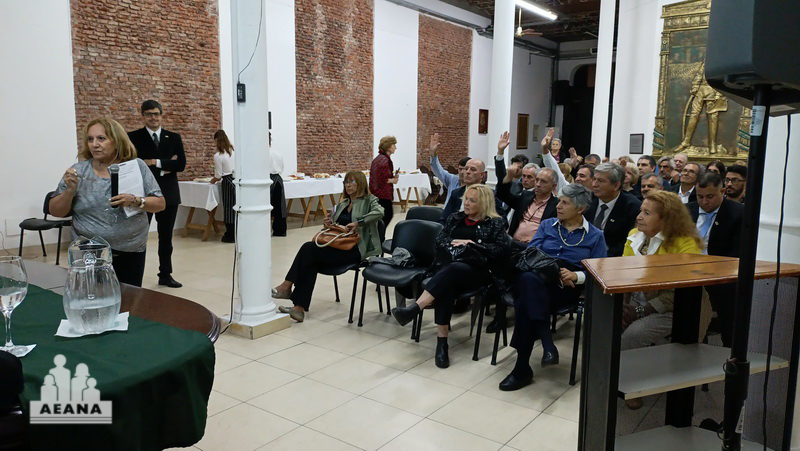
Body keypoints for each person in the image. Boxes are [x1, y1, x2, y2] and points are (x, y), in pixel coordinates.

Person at [499, 184, 607, 391]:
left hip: (565, 288)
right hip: (539, 277)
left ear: (581, 208)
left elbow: (599, 271)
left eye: (565, 203)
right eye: (559, 201)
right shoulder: (547, 225)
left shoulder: (595, 235)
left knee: (526, 299)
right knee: (529, 282)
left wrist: (577, 276)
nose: (558, 206)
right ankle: (546, 342)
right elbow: (530, 254)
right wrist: (553, 270)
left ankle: (522, 369)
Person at [390, 184, 509, 368]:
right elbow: (440, 240)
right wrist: (454, 245)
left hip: (479, 272)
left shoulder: (496, 223)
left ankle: (415, 308)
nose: (466, 203)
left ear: (484, 203)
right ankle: (442, 343)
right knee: (446, 285)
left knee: (451, 272)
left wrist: (471, 245)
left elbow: (499, 251)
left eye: (472, 200)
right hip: (449, 270)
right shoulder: (455, 218)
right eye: (466, 199)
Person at [51, 118, 166, 287]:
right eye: (90, 139)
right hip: (88, 251)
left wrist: (135, 200)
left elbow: (160, 204)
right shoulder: (78, 171)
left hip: (129, 250)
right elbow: (56, 211)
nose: (94, 144)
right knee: (91, 296)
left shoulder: (135, 167)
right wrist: (69, 191)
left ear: (117, 140)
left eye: (101, 138)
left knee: (127, 297)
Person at [620, 190, 707, 409]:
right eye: (641, 211)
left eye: (647, 213)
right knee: (604, 323)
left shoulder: (685, 244)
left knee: (633, 335)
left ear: (666, 219)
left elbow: (679, 292)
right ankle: (614, 374)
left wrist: (638, 312)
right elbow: (622, 274)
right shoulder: (635, 235)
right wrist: (623, 307)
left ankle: (632, 386)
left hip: (674, 307)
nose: (639, 217)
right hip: (638, 298)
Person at [273, 171, 383, 322]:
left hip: (355, 250)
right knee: (310, 259)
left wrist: (359, 222)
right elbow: (335, 226)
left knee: (308, 249)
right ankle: (298, 309)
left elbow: (379, 212)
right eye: (346, 182)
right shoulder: (343, 203)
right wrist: (329, 223)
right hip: (338, 245)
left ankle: (287, 286)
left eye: (352, 182)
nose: (348, 185)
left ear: (361, 183)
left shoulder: (369, 201)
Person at [127, 100, 186, 288]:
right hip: (143, 194)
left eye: (156, 114)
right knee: (138, 237)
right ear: (143, 116)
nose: (153, 118)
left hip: (169, 194)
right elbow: (133, 164)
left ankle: (165, 274)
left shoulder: (173, 137)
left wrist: (154, 162)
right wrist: (167, 164)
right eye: (149, 114)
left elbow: (181, 164)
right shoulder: (133, 137)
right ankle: (133, 277)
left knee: (166, 237)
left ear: (161, 115)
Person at [688, 172, 744, 346]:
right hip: (688, 272)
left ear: (722, 191)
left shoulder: (738, 213)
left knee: (729, 319)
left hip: (721, 275)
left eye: (710, 197)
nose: (704, 202)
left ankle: (729, 349)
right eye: (700, 196)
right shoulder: (687, 211)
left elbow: (736, 252)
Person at [583, 162, 641, 257]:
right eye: (594, 179)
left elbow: (626, 243)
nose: (594, 184)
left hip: (612, 258)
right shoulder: (587, 199)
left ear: (616, 185)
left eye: (601, 181)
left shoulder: (632, 207)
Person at [209, 130, 236, 243]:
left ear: (216, 140)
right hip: (236, 180)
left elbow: (218, 175)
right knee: (236, 207)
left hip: (227, 181)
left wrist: (212, 181)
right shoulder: (233, 151)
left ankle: (230, 234)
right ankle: (237, 232)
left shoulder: (218, 156)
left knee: (229, 208)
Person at [429, 133, 469, 207]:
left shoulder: (475, 188)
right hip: (447, 213)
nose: (462, 172)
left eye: (466, 169)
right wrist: (433, 154)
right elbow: (437, 170)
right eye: (460, 169)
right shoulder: (452, 180)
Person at [369, 136, 399, 227]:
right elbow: (382, 180)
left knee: (382, 219)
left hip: (376, 193)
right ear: (388, 146)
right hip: (383, 194)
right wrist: (393, 180)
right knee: (386, 216)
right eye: (394, 145)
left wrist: (392, 177)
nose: (395, 147)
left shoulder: (378, 158)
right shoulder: (385, 160)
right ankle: (380, 235)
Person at [269, 132, 288, 236]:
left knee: (266, 205)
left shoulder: (261, 154)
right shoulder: (277, 153)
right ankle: (280, 230)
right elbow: (282, 167)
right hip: (278, 178)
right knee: (280, 207)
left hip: (267, 178)